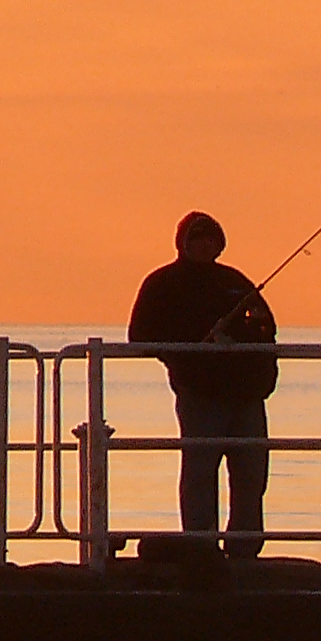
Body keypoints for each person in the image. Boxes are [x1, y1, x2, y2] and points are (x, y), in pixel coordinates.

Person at [128, 211, 278, 557]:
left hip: (246, 394)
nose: (204, 246)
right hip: (199, 394)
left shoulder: (236, 282)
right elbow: (140, 335)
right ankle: (200, 546)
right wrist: (192, 346)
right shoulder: (163, 284)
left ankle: (244, 547)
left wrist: (245, 347)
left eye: (210, 239)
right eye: (196, 239)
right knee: (199, 472)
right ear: (182, 243)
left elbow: (265, 327)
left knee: (251, 475)